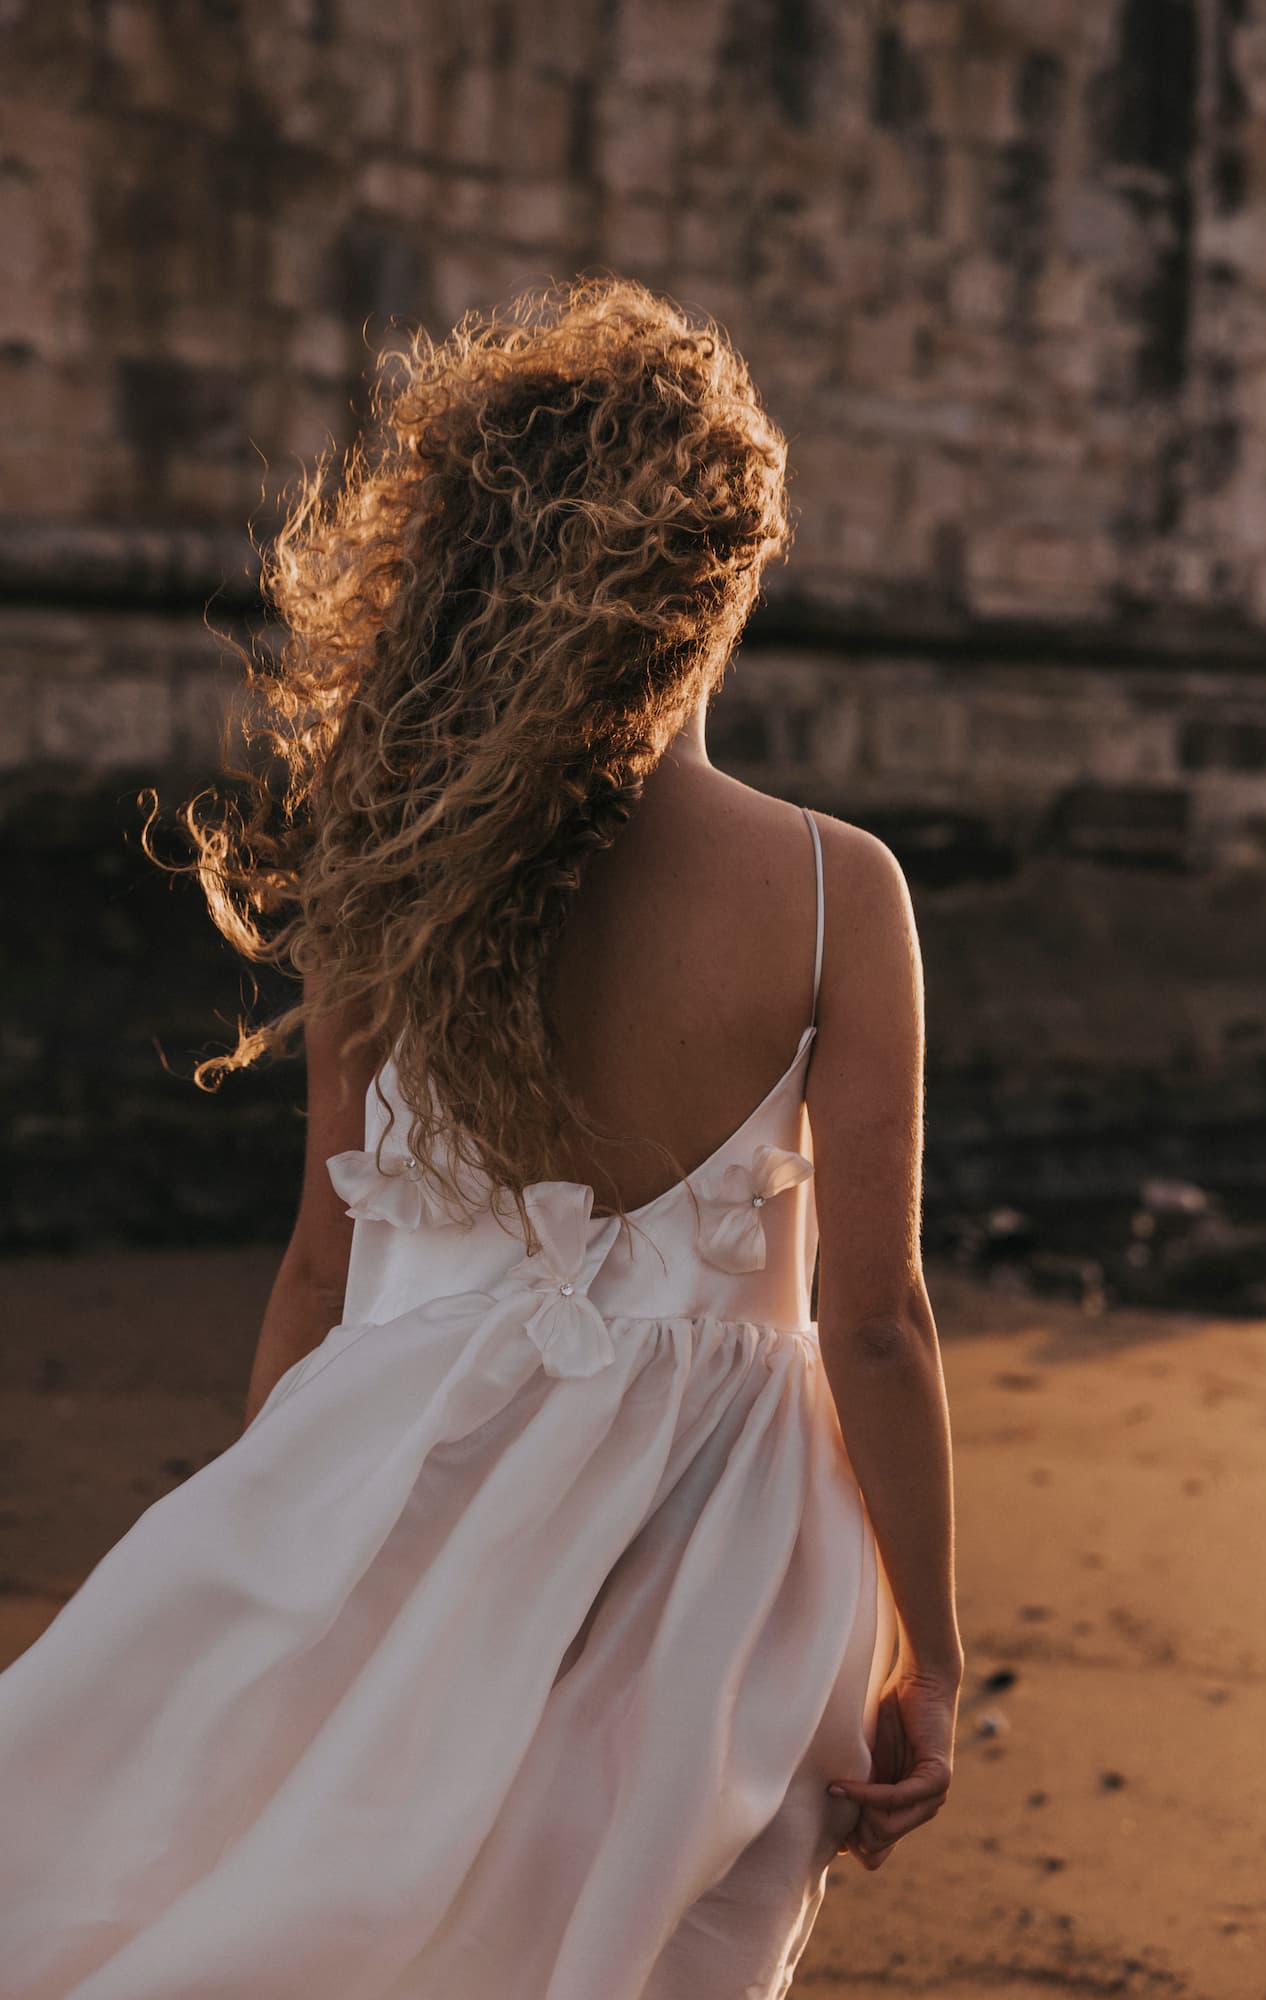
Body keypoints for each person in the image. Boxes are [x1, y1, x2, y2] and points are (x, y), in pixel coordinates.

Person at [0, 276, 963, 1997]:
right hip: (725, 1575)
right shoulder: (838, 891)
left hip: (414, 1514)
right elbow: (874, 1319)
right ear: (724, 574)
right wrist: (936, 1656)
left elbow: (320, 1265)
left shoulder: (400, 874)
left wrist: (284, 1573)